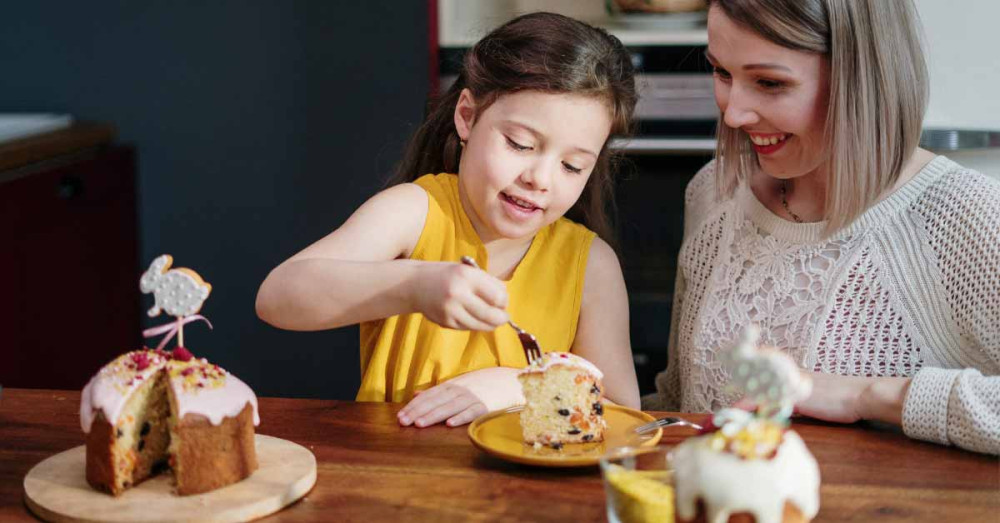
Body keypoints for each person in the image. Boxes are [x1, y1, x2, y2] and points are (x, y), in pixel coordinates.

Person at [644, 0, 999, 455]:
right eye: (722, 72)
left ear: (862, 78)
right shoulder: (714, 192)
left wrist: (865, 395)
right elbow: (679, 402)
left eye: (769, 83)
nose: (733, 114)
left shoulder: (964, 218)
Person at [256, 12, 641, 428]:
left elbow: (624, 410)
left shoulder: (591, 265)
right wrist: (415, 285)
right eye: (520, 144)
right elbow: (277, 298)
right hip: (399, 476)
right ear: (467, 117)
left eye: (571, 166)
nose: (539, 179)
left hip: (528, 491)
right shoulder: (415, 212)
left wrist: (521, 385)